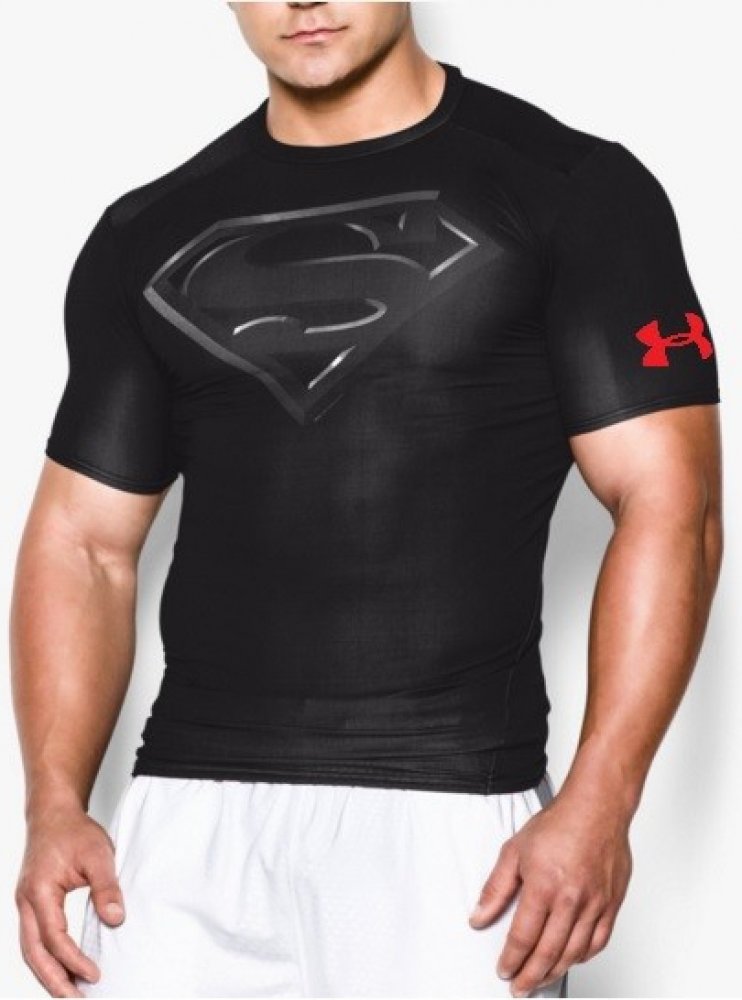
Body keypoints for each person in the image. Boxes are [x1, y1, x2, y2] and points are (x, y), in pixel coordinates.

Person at [10, 3, 723, 998]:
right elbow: (83, 542)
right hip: (182, 827)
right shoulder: (147, 232)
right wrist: (53, 805)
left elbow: (670, 504)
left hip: (455, 827)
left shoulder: (572, 189)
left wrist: (603, 799)